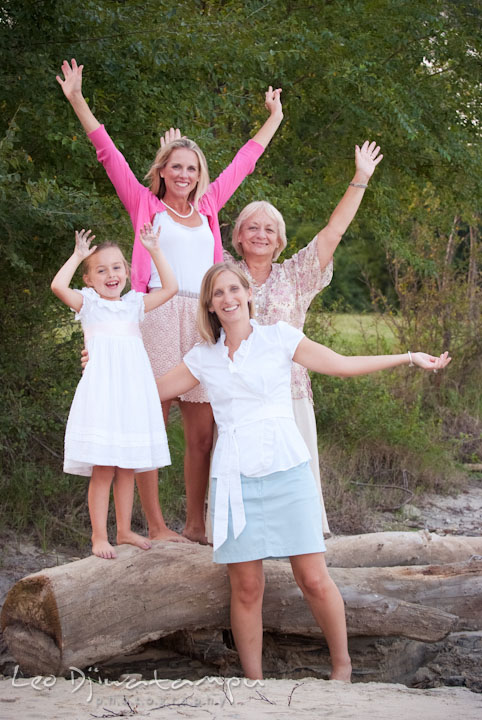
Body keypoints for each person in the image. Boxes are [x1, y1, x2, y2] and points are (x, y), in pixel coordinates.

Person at [155, 262, 451, 680]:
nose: (228, 298)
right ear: (209, 304)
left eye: (235, 289)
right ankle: (254, 682)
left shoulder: (279, 338)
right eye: (218, 293)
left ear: (249, 294)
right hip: (233, 480)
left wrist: (407, 357)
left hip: (285, 471)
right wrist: (105, 355)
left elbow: (343, 364)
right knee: (246, 588)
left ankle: (342, 668)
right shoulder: (203, 358)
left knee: (312, 578)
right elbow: (153, 390)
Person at [57, 59, 283, 544]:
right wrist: (77, 98)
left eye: (192, 168)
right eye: (176, 166)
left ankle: (196, 524)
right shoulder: (144, 203)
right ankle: (155, 526)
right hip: (156, 315)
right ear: (162, 171)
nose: (184, 174)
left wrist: (274, 118)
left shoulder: (210, 206)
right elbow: (107, 153)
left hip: (203, 320)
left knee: (201, 432)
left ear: (200, 175)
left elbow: (245, 160)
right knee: (148, 424)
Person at [222, 140, 383, 535]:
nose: (261, 234)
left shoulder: (296, 275)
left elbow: (334, 230)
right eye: (252, 227)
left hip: (288, 390)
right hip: (238, 394)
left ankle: (304, 539)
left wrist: (360, 178)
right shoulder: (222, 274)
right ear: (238, 236)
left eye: (270, 229)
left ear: (280, 241)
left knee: (295, 476)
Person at [51, 224, 178, 559]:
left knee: (129, 465)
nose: (111, 274)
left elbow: (171, 288)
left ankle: (123, 530)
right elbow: (57, 285)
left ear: (127, 271)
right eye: (101, 270)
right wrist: (78, 255)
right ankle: (98, 536)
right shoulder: (89, 304)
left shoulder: (134, 304)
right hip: (104, 396)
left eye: (117, 267)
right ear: (89, 279)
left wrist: (154, 249)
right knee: (104, 467)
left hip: (133, 395)